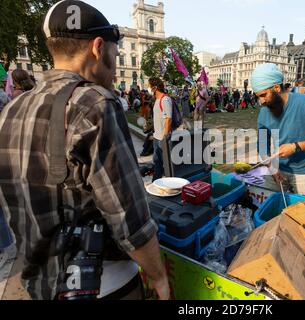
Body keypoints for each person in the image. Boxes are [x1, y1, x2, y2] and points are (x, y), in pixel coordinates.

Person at [0, 0, 169, 300]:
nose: (116, 68)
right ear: (98, 48)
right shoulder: (96, 103)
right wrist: (159, 278)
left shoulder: (10, 111)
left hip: (39, 283)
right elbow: (129, 218)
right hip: (104, 284)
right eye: (115, 55)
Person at [253, 64, 305, 198]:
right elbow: (262, 147)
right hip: (278, 169)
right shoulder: (263, 113)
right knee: (270, 209)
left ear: (276, 88)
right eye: (258, 96)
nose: (261, 101)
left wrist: (295, 147)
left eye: (263, 95)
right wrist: (272, 169)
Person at [149, 77, 172, 181]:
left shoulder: (165, 99)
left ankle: (169, 182)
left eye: (149, 86)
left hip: (162, 137)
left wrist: (165, 137)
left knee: (166, 163)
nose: (148, 88)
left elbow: (168, 119)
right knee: (156, 161)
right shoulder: (157, 99)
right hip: (156, 136)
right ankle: (156, 181)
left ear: (155, 87)